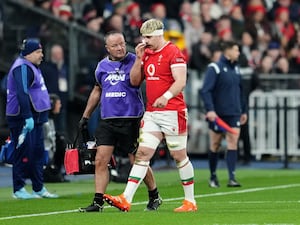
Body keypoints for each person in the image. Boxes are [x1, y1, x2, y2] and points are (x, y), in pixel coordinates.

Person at [104, 19, 197, 212]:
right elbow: (135, 81)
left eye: (148, 37)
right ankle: (125, 198)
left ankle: (190, 201)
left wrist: (166, 96)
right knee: (142, 154)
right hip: (152, 112)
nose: (144, 41)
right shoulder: (145, 53)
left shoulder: (173, 52)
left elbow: (181, 81)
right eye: (143, 37)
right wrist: (138, 58)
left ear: (158, 35)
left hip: (173, 111)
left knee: (179, 156)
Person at [78, 31, 162, 212]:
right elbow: (96, 91)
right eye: (115, 45)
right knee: (100, 160)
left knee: (137, 160)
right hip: (108, 119)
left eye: (122, 43)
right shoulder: (101, 66)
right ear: (107, 48)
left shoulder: (135, 59)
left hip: (131, 118)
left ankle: (154, 194)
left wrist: (139, 61)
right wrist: (85, 116)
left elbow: (135, 82)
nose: (120, 48)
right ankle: (98, 201)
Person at [6, 38, 58, 199]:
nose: (41, 55)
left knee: (37, 153)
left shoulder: (31, 66)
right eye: (38, 52)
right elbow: (22, 93)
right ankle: (18, 188)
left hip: (36, 118)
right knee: (22, 152)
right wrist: (27, 116)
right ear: (28, 54)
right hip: (23, 118)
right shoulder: (22, 67)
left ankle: (38, 187)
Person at [200, 40, 248, 188]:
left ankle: (232, 177)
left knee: (233, 142)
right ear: (227, 51)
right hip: (218, 114)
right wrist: (210, 109)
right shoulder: (214, 68)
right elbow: (205, 90)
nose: (238, 53)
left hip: (234, 113)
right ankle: (213, 176)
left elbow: (240, 91)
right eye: (236, 50)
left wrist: (244, 110)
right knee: (215, 144)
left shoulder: (237, 69)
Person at [43, 93, 68, 182]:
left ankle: (58, 169)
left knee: (62, 140)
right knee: (62, 142)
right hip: (44, 158)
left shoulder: (51, 119)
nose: (60, 106)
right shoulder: (44, 122)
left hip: (50, 156)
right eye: (58, 104)